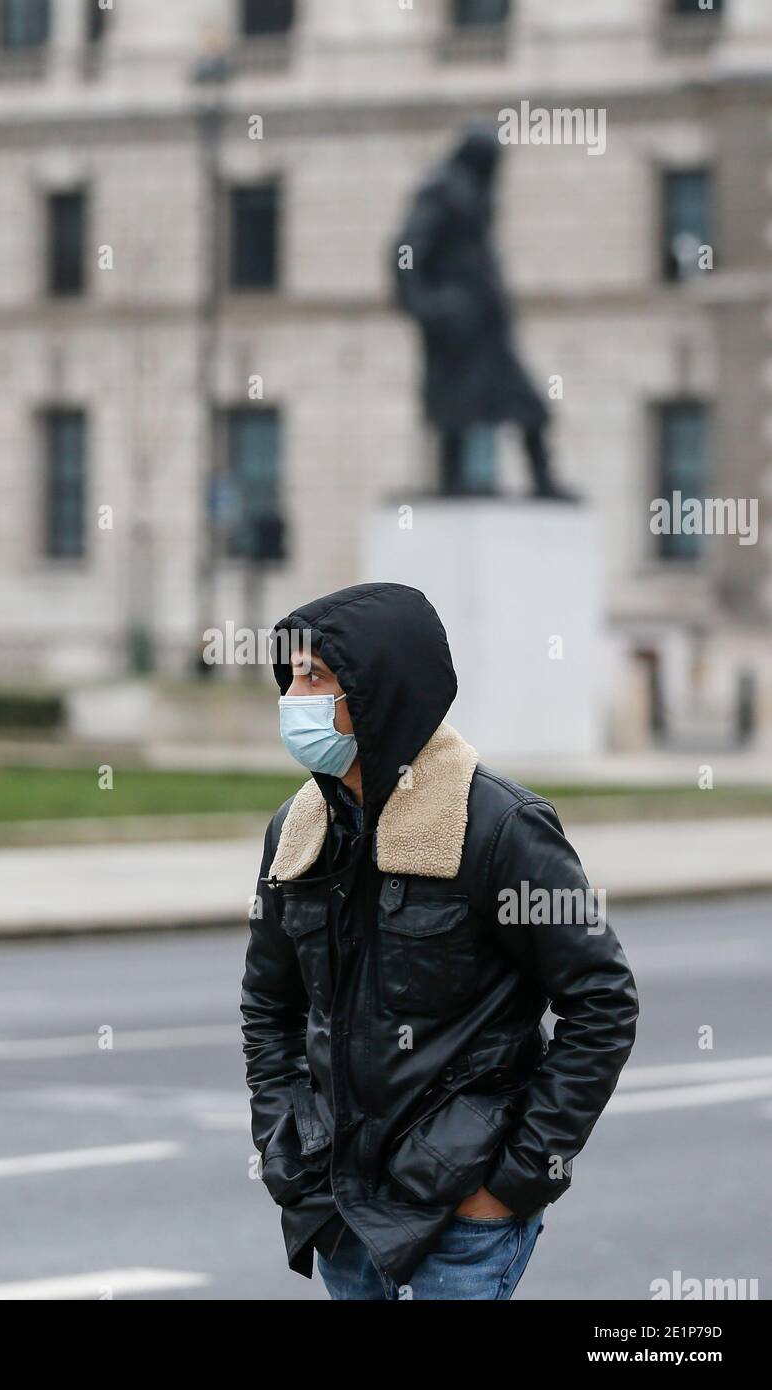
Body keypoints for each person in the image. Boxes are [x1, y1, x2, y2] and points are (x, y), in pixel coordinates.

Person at [240, 582, 638, 1299]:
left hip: (462, 1214)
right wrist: (285, 1146)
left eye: (315, 677)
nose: (292, 697)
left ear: (379, 689)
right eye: (290, 674)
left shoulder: (499, 828)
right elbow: (268, 1008)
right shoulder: (297, 830)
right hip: (335, 1209)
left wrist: (512, 1181)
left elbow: (601, 1003)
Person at [393, 124, 577, 500]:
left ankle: (541, 481)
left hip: (485, 321)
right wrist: (423, 302)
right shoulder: (442, 193)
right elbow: (406, 250)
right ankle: (453, 482)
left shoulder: (470, 194)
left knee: (526, 406)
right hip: (458, 318)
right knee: (456, 407)